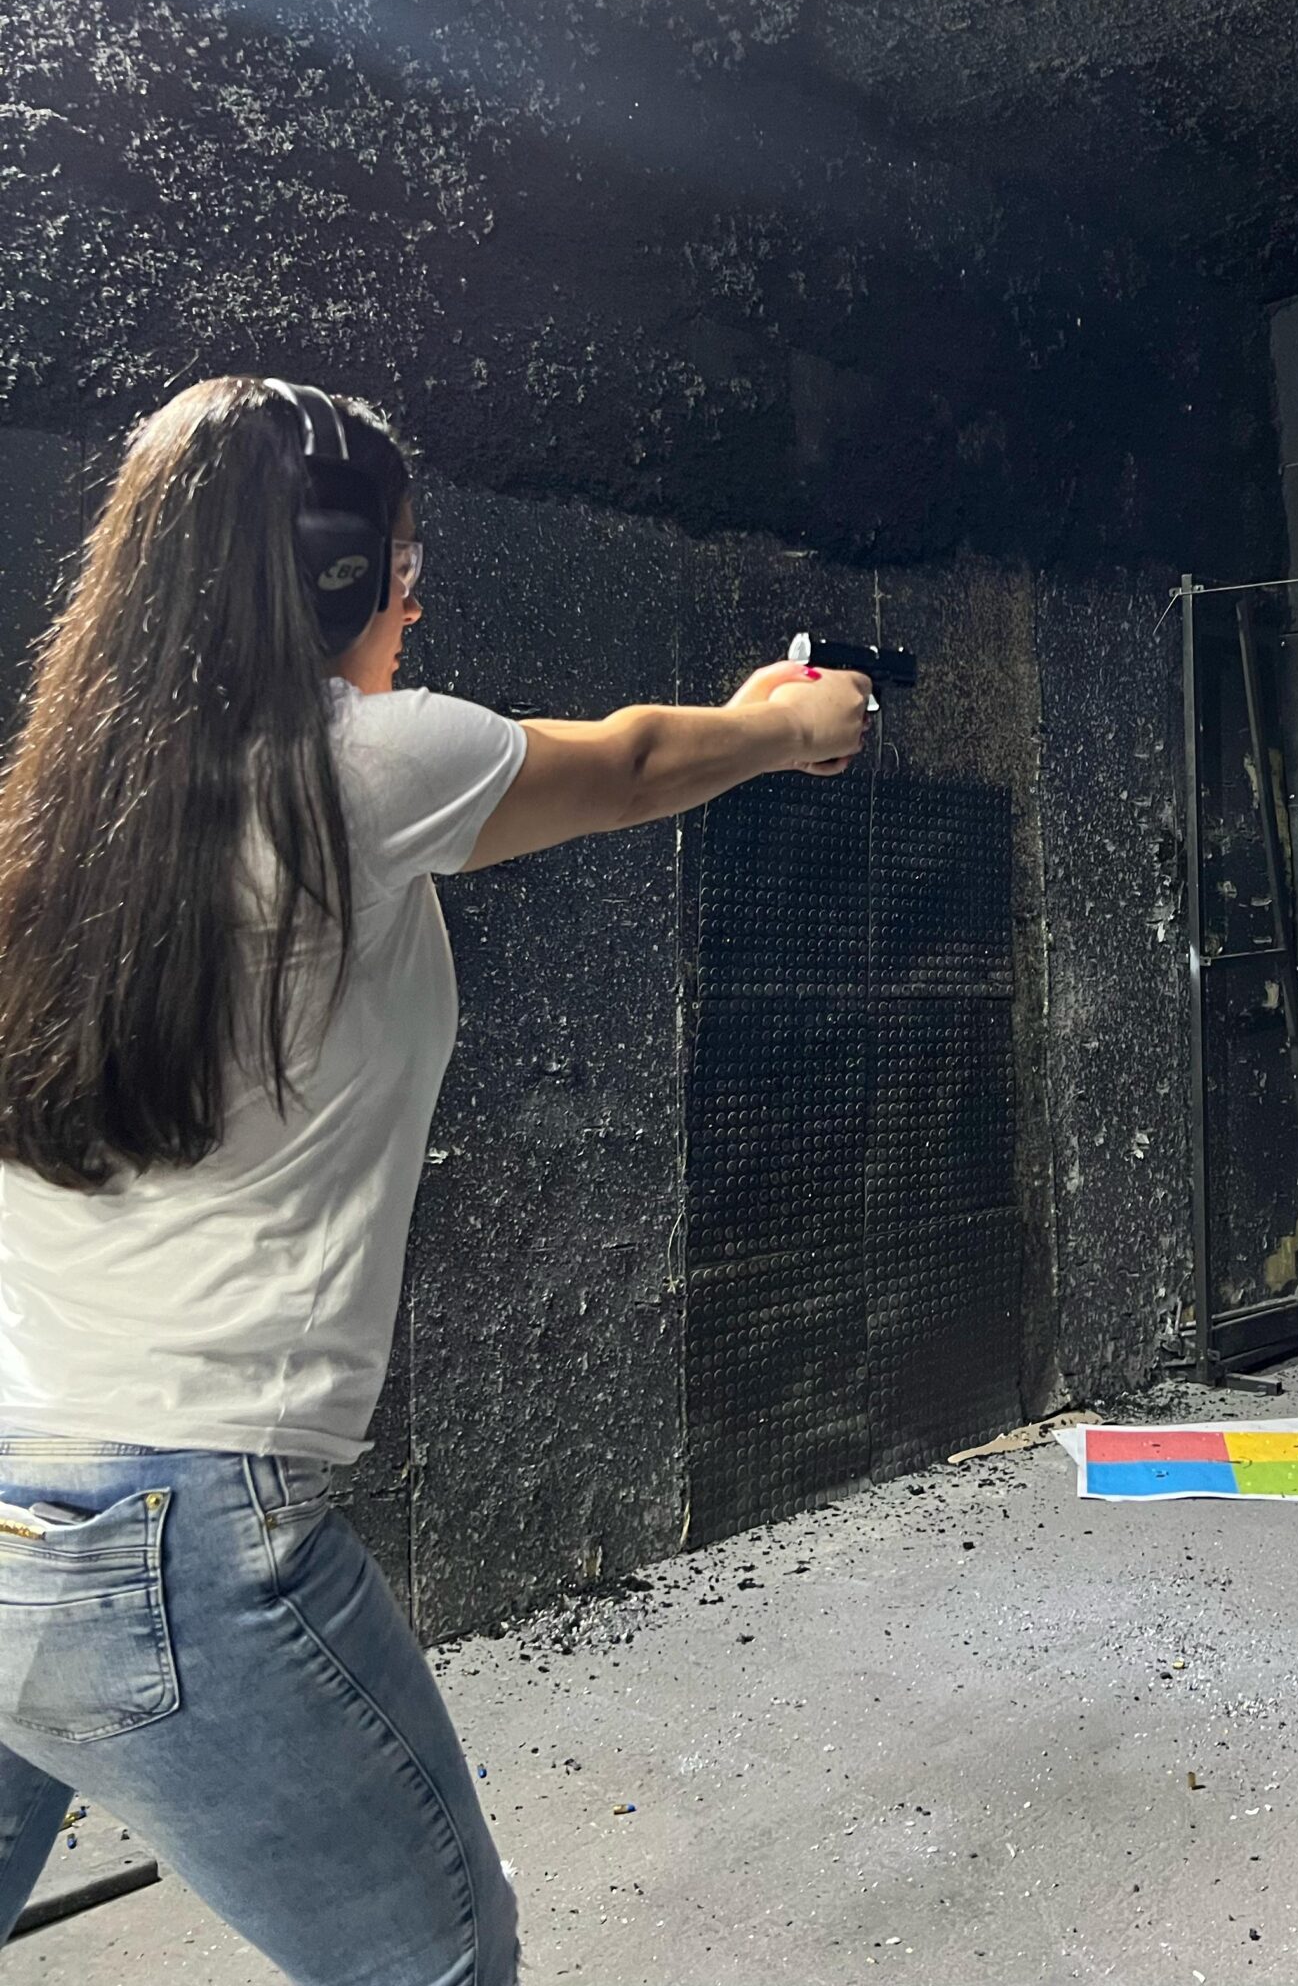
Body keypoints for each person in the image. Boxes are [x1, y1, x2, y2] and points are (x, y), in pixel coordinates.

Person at [0, 376, 870, 1982]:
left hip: (15, 1475)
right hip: (182, 1525)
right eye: (398, 562)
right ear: (331, 571)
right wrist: (790, 727)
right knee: (438, 1963)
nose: (412, 599)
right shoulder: (349, 765)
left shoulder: (54, 820)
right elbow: (635, 763)